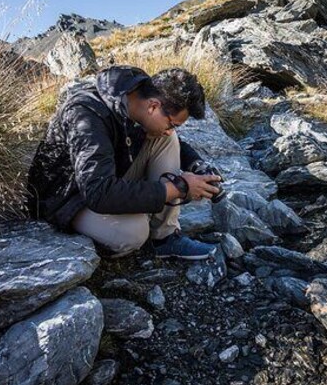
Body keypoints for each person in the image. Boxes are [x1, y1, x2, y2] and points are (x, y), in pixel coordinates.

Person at [27, 65, 222, 260]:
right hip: (68, 197)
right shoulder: (85, 114)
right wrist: (179, 188)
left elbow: (173, 141)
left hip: (109, 174)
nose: (171, 130)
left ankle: (165, 238)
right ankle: (105, 238)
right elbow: (98, 192)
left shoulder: (136, 96)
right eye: (172, 124)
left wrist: (196, 164)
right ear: (153, 106)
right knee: (134, 232)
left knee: (166, 139)